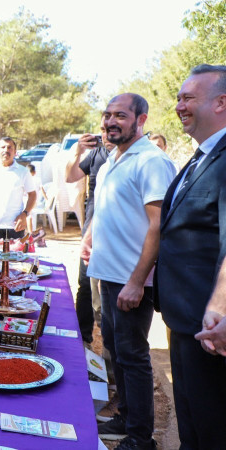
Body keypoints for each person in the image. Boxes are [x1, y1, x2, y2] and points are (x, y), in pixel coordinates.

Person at [83, 93, 175, 450]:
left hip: (132, 280)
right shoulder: (110, 161)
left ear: (142, 119)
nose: (110, 121)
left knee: (133, 356)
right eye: (107, 115)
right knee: (117, 352)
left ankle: (140, 437)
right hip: (108, 276)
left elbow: (158, 226)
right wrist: (89, 239)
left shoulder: (151, 160)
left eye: (120, 115)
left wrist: (137, 281)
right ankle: (125, 414)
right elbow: (108, 209)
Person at [155, 65, 226, 449]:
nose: (179, 105)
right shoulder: (200, 157)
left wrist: (222, 310)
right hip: (184, 321)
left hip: (211, 329)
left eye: (188, 98)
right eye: (179, 97)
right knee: (192, 429)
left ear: (221, 102)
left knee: (212, 429)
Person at [66, 122, 115, 346]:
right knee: (85, 286)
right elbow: (70, 176)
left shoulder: (133, 158)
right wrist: (77, 151)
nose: (106, 135)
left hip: (115, 238)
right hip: (90, 233)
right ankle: (82, 338)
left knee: (108, 295)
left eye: (110, 129)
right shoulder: (97, 155)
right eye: (102, 130)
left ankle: (109, 351)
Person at [0, 137, 36, 239]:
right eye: (3, 147)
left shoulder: (23, 172)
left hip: (16, 226)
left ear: (15, 151)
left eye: (9, 147)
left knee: (15, 254)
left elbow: (33, 195)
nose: (6, 150)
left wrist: (25, 214)